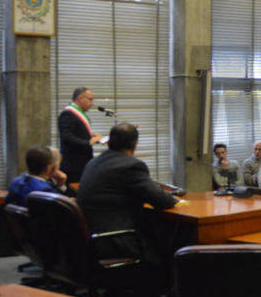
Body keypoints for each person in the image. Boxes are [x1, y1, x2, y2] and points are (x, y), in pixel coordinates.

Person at [76, 123, 178, 257]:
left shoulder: (93, 163)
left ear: (109, 142)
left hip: (91, 238)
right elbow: (163, 201)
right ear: (135, 145)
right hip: (116, 240)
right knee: (173, 236)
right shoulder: (131, 165)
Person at [58, 87, 103, 183]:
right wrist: (88, 142)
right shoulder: (67, 114)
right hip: (73, 164)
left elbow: (76, 133)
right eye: (90, 99)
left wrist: (90, 136)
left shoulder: (78, 114)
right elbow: (67, 137)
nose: (92, 103)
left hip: (83, 162)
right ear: (81, 99)